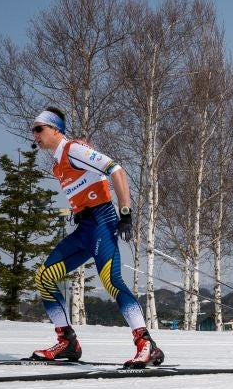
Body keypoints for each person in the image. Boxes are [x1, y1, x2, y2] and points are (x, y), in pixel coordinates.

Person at [28, 107, 164, 368]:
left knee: (111, 282)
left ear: (55, 129)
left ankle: (147, 344)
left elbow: (117, 170)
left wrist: (125, 212)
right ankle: (67, 342)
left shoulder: (74, 150)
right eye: (33, 130)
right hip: (85, 229)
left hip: (102, 222)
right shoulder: (58, 164)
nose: (34, 134)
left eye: (38, 129)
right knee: (44, 277)